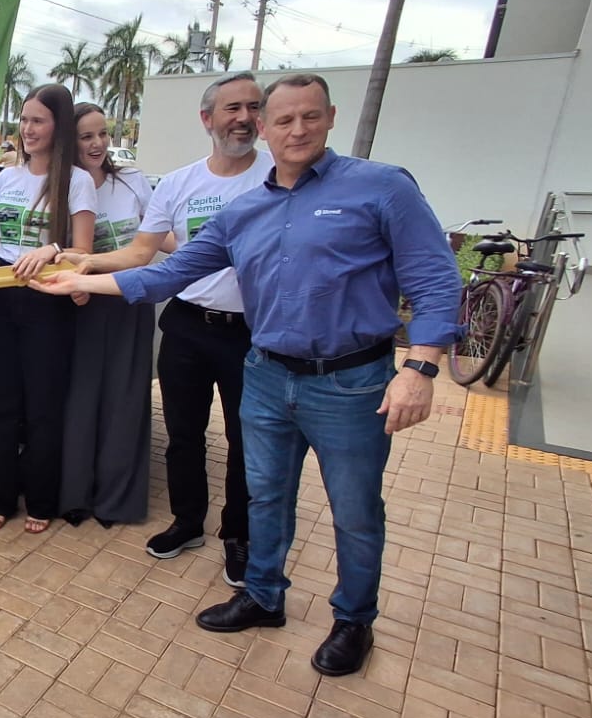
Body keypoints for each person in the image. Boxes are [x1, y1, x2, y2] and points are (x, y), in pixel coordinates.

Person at [31, 73, 461, 677]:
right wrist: (80, 279)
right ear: (265, 128)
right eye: (282, 120)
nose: (297, 130)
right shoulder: (247, 210)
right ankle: (263, 595)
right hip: (265, 373)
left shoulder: (381, 188)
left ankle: (353, 620)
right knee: (266, 495)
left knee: (355, 510)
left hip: (350, 381)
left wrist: (421, 367)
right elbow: (167, 273)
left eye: (309, 117)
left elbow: (436, 279)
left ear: (330, 117)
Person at [65, 72, 273, 585]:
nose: (243, 118)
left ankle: (238, 536)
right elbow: (143, 251)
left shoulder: (279, 175)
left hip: (254, 330)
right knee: (184, 434)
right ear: (208, 119)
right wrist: (85, 263)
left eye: (253, 107)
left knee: (247, 440)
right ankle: (187, 522)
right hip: (186, 323)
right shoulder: (179, 184)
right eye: (231, 109)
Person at [0, 83, 96, 534]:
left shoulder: (78, 181)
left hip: (49, 303)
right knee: (3, 403)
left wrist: (51, 250)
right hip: (0, 296)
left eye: (37, 121)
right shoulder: (7, 178)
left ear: (58, 126)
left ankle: (41, 502)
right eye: (24, 120)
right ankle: (0, 497)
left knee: (44, 408)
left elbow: (83, 250)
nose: (27, 129)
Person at [56, 102, 158, 526]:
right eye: (86, 136)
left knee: (125, 400)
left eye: (103, 134)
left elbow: (159, 237)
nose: (98, 144)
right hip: (80, 303)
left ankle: (118, 501)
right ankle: (75, 496)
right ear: (70, 142)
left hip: (130, 301)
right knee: (79, 400)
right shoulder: (63, 187)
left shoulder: (133, 182)